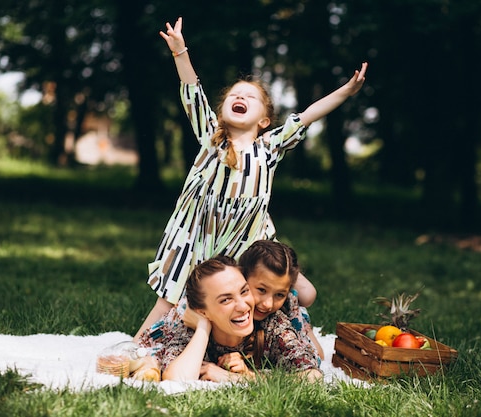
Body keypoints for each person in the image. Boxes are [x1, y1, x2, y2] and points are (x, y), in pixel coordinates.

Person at [134, 16, 369, 341]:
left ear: (264, 120)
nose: (239, 98)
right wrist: (179, 52)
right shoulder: (211, 136)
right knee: (171, 297)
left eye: (250, 97)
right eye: (233, 95)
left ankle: (287, 332)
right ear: (221, 111)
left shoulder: (270, 146)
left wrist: (347, 90)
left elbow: (310, 114)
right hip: (201, 240)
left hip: (249, 244)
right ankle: (139, 345)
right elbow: (191, 90)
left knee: (305, 293)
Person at [153, 256, 322, 382]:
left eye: (244, 291)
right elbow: (176, 380)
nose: (243, 306)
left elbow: (313, 377)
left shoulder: (272, 324)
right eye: (226, 299)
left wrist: (242, 378)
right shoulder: (188, 326)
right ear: (202, 312)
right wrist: (203, 328)